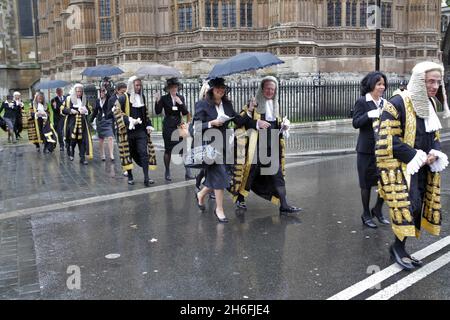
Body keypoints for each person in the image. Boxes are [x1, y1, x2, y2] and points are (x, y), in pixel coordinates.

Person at [376, 61, 449, 270]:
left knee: (417, 207)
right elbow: (388, 139)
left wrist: (435, 152)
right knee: (408, 206)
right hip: (402, 167)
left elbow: (434, 133)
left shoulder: (431, 103)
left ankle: (400, 247)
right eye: (430, 81)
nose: (435, 86)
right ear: (419, 81)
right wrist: (416, 156)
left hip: (424, 166)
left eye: (437, 82)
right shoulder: (397, 103)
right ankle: (398, 248)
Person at [229, 76, 302, 216]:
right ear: (262, 89)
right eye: (267, 88)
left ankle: (284, 204)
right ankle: (240, 198)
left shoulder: (276, 104)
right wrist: (256, 123)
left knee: (277, 174)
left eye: (272, 89)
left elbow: (276, 122)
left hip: (272, 144)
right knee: (250, 172)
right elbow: (240, 122)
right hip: (256, 145)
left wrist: (283, 126)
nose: (270, 91)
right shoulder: (253, 103)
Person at [194, 77, 258, 223]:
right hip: (209, 146)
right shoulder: (202, 105)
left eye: (223, 88)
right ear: (211, 90)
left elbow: (239, 121)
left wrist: (249, 109)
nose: (221, 90)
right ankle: (219, 209)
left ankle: (201, 194)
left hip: (224, 146)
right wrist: (211, 123)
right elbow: (195, 127)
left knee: (217, 175)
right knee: (221, 174)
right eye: (218, 88)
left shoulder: (227, 105)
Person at [352, 71, 390, 228]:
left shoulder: (385, 103)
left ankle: (378, 209)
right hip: (366, 150)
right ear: (371, 85)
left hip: (383, 149)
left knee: (385, 182)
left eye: (383, 84)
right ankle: (366, 214)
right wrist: (369, 114)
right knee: (366, 184)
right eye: (378, 84)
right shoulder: (362, 102)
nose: (382, 87)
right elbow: (356, 122)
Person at [106, 78, 156, 187]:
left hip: (141, 131)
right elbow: (117, 111)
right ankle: (130, 176)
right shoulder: (123, 98)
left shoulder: (142, 97)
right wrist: (128, 120)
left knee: (143, 152)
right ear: (131, 86)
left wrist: (149, 124)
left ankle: (146, 177)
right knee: (129, 154)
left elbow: (145, 113)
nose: (138, 87)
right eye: (136, 85)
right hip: (128, 132)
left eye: (139, 85)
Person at [155, 77, 195, 181]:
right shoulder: (164, 98)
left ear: (178, 88)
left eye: (175, 87)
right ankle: (167, 171)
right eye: (171, 87)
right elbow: (158, 111)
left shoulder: (180, 97)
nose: (174, 89)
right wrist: (157, 100)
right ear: (168, 88)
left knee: (184, 148)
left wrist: (180, 103)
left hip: (178, 125)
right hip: (168, 125)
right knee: (168, 150)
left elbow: (186, 112)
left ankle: (188, 171)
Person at [62, 83, 94, 165]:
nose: (79, 93)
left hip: (82, 123)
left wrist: (86, 111)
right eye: (77, 91)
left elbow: (90, 109)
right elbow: (62, 109)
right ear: (74, 91)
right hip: (72, 123)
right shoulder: (69, 99)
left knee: (82, 140)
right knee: (73, 140)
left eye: (80, 91)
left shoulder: (84, 99)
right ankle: (71, 151)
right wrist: (70, 111)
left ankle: (82, 157)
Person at [91, 87, 115, 161]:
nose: (101, 93)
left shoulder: (109, 99)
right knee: (101, 139)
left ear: (106, 92)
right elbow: (95, 111)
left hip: (108, 120)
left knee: (110, 137)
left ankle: (111, 154)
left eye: (103, 91)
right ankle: (102, 155)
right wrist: (90, 120)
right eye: (100, 91)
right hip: (100, 121)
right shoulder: (98, 101)